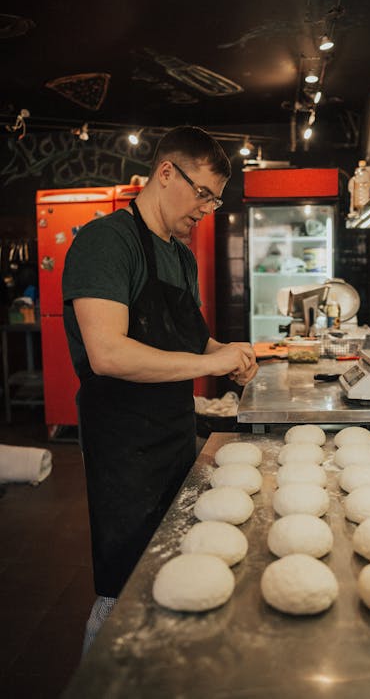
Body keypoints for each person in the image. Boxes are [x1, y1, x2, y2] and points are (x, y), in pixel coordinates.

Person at [62, 126, 258, 652]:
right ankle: (103, 677)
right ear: (167, 172)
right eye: (204, 194)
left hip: (175, 431)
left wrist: (230, 352)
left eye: (216, 199)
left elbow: (192, 342)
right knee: (124, 582)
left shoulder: (180, 255)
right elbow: (108, 353)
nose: (208, 209)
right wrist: (210, 358)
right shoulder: (105, 242)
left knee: (175, 567)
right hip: (124, 445)